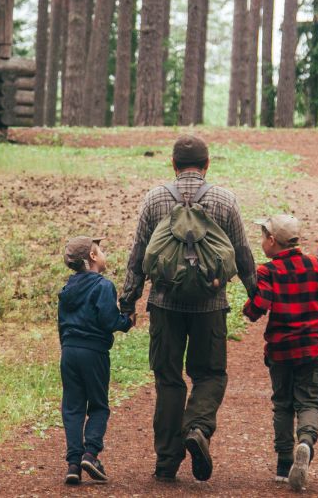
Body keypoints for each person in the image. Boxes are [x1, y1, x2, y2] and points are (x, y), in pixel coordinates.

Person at [119, 134, 258, 482]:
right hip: (210, 304)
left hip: (165, 303)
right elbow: (242, 253)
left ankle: (167, 462)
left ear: (174, 165)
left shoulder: (154, 199)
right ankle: (197, 428)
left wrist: (128, 301)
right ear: (207, 165)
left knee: (168, 379)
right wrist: (257, 294)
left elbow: (138, 255)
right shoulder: (225, 200)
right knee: (210, 374)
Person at [242, 214, 318, 492]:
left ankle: (283, 463)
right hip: (313, 346)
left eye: (263, 236)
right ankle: (306, 443)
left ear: (272, 241)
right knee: (310, 400)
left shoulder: (268, 271)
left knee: (283, 403)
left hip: (281, 349)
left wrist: (248, 309)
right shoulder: (314, 263)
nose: (262, 241)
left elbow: (260, 304)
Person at [58, 235, 133, 486]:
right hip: (94, 353)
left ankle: (72, 464)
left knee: (72, 407)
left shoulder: (67, 289)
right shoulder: (103, 286)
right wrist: (127, 321)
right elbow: (109, 321)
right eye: (100, 250)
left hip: (69, 352)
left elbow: (61, 325)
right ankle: (90, 454)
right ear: (92, 257)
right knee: (99, 405)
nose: (103, 253)